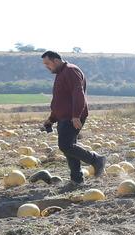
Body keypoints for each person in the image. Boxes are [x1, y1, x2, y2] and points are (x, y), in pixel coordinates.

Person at [41, 51, 105, 184]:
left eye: (48, 63)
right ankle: (76, 180)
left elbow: (78, 93)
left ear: (56, 61)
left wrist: (76, 115)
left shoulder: (70, 71)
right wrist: (51, 118)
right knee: (69, 148)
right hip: (64, 117)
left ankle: (96, 159)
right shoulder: (61, 74)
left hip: (72, 117)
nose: (46, 67)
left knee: (65, 145)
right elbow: (60, 101)